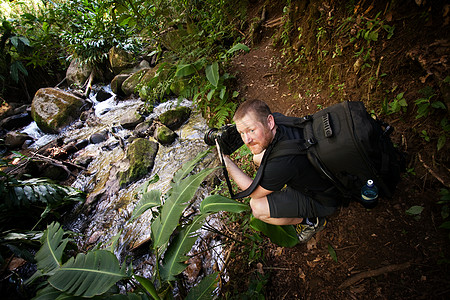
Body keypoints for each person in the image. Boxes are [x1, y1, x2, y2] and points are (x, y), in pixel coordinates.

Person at [218, 99, 338, 243]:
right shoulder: (279, 120)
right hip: (320, 170)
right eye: (241, 133)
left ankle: (312, 221)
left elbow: (253, 192)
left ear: (269, 122)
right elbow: (261, 152)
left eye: (251, 130)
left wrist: (226, 161)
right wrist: (246, 130)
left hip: (324, 199)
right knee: (258, 157)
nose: (246, 140)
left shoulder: (281, 163)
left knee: (257, 207)